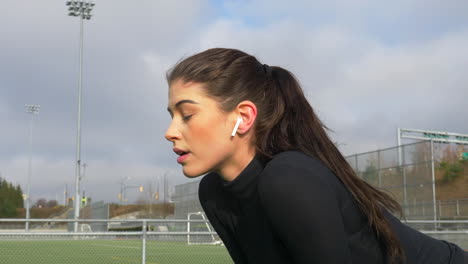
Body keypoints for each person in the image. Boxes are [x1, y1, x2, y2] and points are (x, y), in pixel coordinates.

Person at [164, 48, 467, 264]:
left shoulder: (289, 178)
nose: (170, 131)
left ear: (243, 117)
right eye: (171, 116)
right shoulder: (214, 193)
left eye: (187, 114)